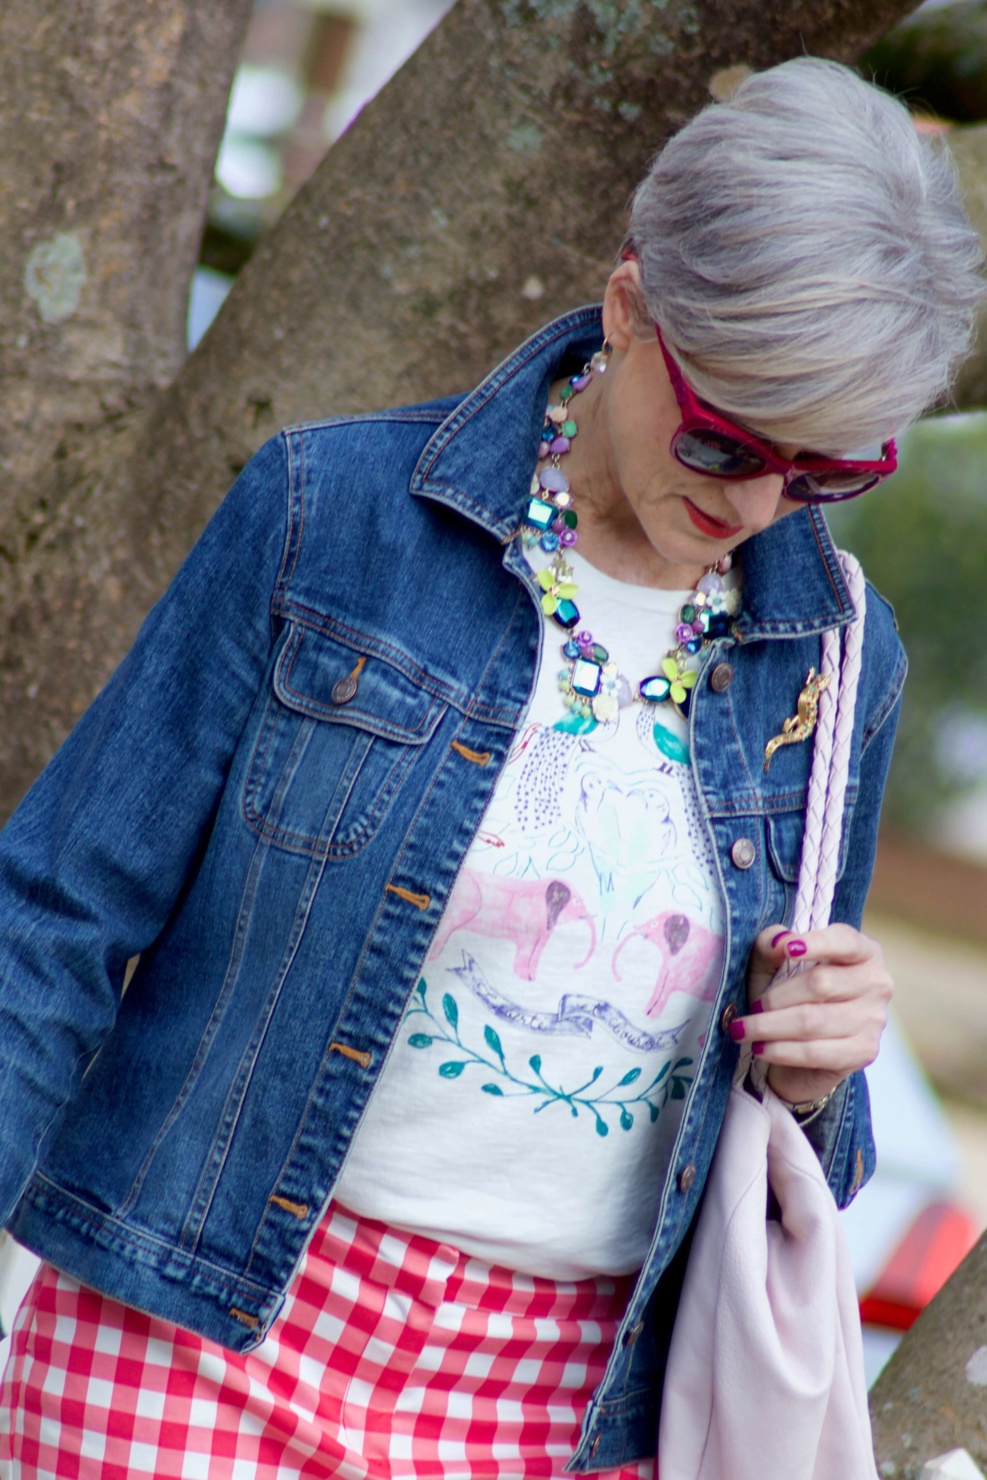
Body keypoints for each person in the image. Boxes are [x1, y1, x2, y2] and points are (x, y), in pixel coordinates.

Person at [0, 55, 982, 1480]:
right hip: (197, 1329)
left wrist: (826, 1072)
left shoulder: (834, 654)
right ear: (632, 302)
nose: (756, 501)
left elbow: (800, 1166)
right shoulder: (327, 518)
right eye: (723, 435)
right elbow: (52, 924)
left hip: (557, 1412)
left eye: (826, 469)